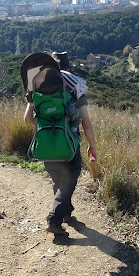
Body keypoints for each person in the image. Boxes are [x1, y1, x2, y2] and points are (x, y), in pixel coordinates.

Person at [23, 51, 98, 235]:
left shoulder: (38, 84)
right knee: (70, 180)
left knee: (59, 180)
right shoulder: (74, 84)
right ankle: (54, 219)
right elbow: (86, 123)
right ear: (67, 67)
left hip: (46, 144)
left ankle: (66, 213)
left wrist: (48, 123)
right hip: (69, 143)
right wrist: (92, 146)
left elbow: (27, 120)